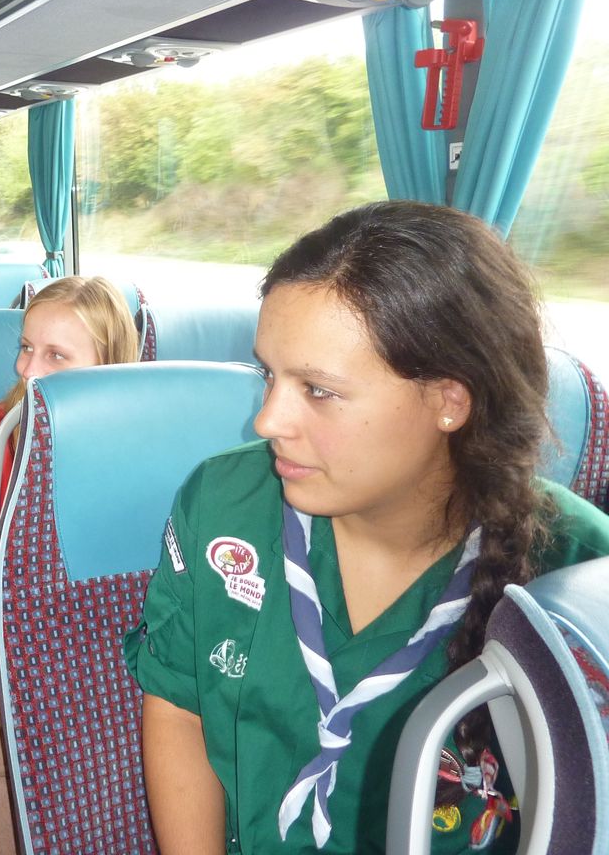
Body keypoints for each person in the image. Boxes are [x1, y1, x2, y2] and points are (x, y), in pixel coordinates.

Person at [126, 201, 609, 855]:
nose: (267, 421)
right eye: (269, 375)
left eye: (318, 390)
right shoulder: (224, 504)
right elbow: (179, 703)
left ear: (449, 401)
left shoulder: (580, 573)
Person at [0, 276, 139, 854]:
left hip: (114, 664)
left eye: (56, 355)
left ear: (108, 366)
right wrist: (34, 581)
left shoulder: (139, 444)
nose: (28, 370)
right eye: (26, 347)